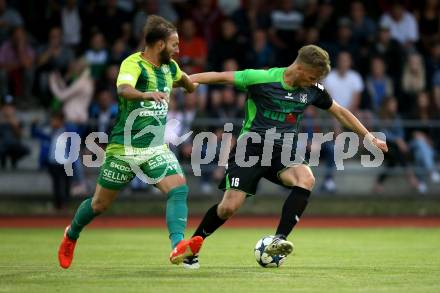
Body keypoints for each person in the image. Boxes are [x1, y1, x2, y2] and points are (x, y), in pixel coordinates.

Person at [174, 45, 388, 269]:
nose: (314, 81)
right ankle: (192, 247)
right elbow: (221, 77)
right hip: (251, 150)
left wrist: (368, 137)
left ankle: (279, 239)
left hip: (284, 152)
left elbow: (341, 112)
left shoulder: (313, 89)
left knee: (306, 179)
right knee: (228, 207)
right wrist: (188, 80)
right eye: (312, 76)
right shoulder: (262, 78)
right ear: (300, 68)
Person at [57, 15, 202, 269]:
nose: (178, 50)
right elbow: (123, 89)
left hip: (155, 147)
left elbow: (186, 83)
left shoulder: (171, 68)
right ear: (159, 45)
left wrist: (190, 84)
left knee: (179, 189)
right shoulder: (133, 64)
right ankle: (71, 235)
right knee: (99, 204)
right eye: (174, 44)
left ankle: (178, 246)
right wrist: (147, 94)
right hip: (124, 148)